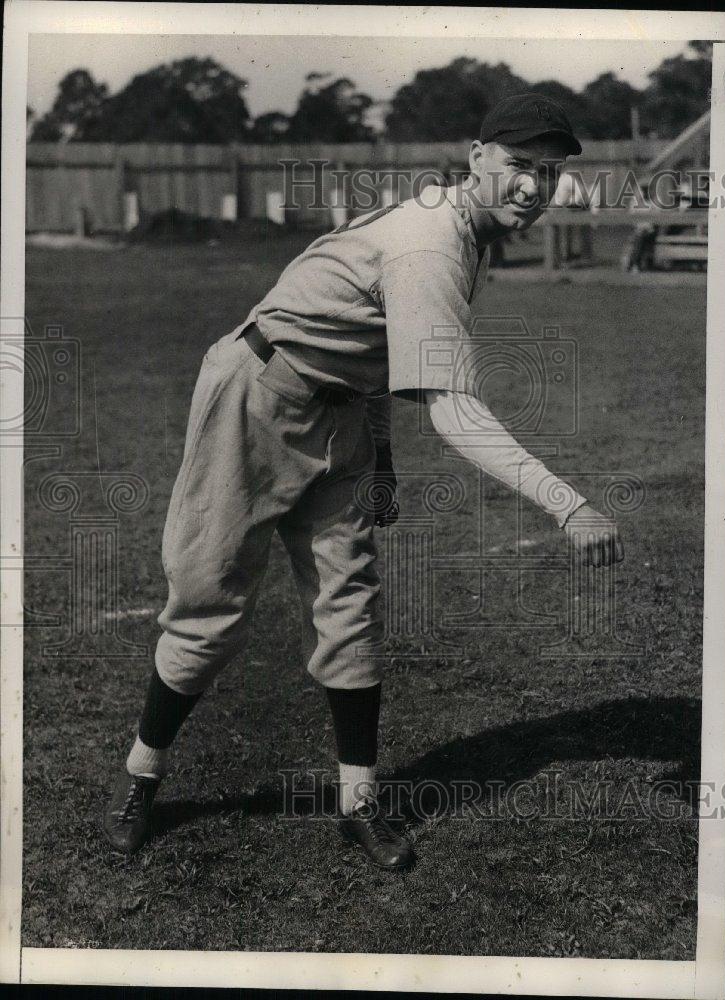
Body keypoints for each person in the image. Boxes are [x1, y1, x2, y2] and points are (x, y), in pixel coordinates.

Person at [104, 93, 624, 870]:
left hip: (340, 413)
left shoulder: (466, 231)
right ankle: (141, 779)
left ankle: (358, 804)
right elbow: (451, 406)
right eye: (519, 165)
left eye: (549, 173)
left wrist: (379, 454)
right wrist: (568, 503)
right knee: (209, 606)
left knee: (350, 609)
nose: (533, 186)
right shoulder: (430, 243)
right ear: (476, 156)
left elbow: (376, 345)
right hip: (256, 397)